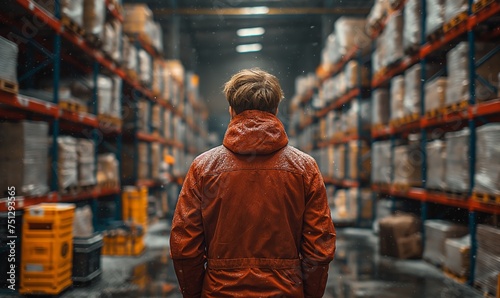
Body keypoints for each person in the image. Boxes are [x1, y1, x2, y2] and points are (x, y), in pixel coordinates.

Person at [170, 68, 336, 297]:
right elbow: (319, 248)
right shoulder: (304, 167)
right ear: (276, 110)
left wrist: (196, 293)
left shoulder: (203, 168)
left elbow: (184, 247)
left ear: (231, 111)